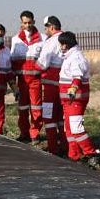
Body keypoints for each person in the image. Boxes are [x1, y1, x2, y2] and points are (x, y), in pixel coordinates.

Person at [57, 32, 97, 160]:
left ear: (65, 45)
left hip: (75, 99)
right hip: (68, 101)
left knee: (76, 128)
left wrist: (73, 88)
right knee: (68, 129)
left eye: (61, 44)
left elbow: (77, 77)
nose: (60, 47)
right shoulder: (69, 57)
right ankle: (74, 155)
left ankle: (90, 154)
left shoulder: (76, 58)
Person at [11, 10, 44, 142]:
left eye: (30, 22)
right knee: (22, 108)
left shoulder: (42, 39)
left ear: (34, 22)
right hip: (22, 81)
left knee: (36, 108)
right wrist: (13, 84)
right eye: (25, 23)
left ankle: (34, 134)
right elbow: (13, 62)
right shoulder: (16, 39)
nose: (28, 25)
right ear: (21, 23)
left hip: (36, 80)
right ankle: (24, 133)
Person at [37, 15, 67, 155]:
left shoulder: (50, 42)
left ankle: (53, 147)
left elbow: (42, 64)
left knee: (48, 117)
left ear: (51, 27)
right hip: (65, 85)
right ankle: (66, 146)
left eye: (46, 28)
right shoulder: (68, 40)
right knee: (62, 117)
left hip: (50, 86)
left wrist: (34, 64)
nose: (45, 31)